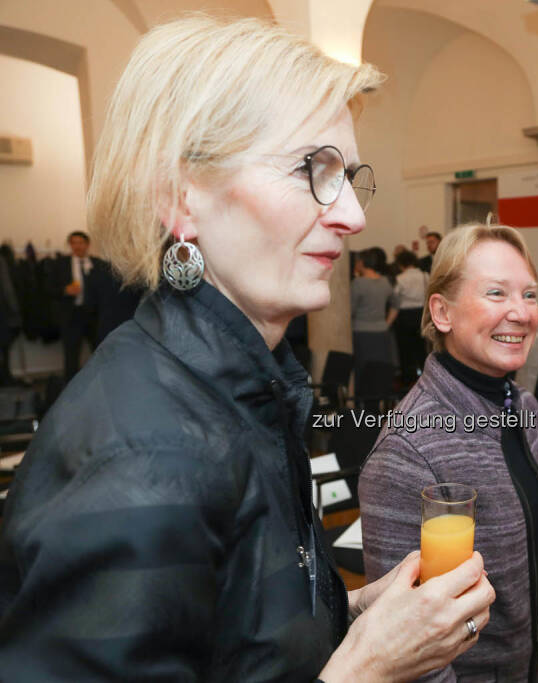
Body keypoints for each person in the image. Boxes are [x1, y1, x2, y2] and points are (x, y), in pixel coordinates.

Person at [0, 16, 494, 682]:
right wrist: (367, 669)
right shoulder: (144, 456)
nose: (354, 215)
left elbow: (226, 631)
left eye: (349, 175)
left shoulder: (241, 385)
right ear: (180, 197)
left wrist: (354, 612)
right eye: (312, 168)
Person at [360, 224, 538, 682]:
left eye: (529, 295)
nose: (521, 313)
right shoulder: (409, 449)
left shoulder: (524, 406)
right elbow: (402, 637)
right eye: (497, 293)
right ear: (441, 312)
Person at [50, 230, 103, 380]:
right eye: (73, 243)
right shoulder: (61, 264)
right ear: (70, 245)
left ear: (87, 245)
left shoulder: (98, 264)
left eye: (80, 243)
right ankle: (70, 390)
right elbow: (48, 288)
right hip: (71, 315)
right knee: (71, 355)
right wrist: (65, 290)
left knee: (100, 350)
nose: (77, 246)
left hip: (94, 315)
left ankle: (100, 383)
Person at [351, 246, 395, 390]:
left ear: (362, 263)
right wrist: (387, 323)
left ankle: (363, 408)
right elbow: (396, 305)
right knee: (379, 371)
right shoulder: (385, 281)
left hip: (361, 332)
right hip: (381, 332)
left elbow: (350, 310)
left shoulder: (358, 283)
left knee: (363, 372)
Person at [388, 249, 429, 386]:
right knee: (421, 348)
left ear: (401, 264)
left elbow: (395, 298)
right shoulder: (425, 276)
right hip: (420, 314)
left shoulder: (400, 278)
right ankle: (426, 377)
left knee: (405, 349)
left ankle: (407, 379)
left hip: (404, 316)